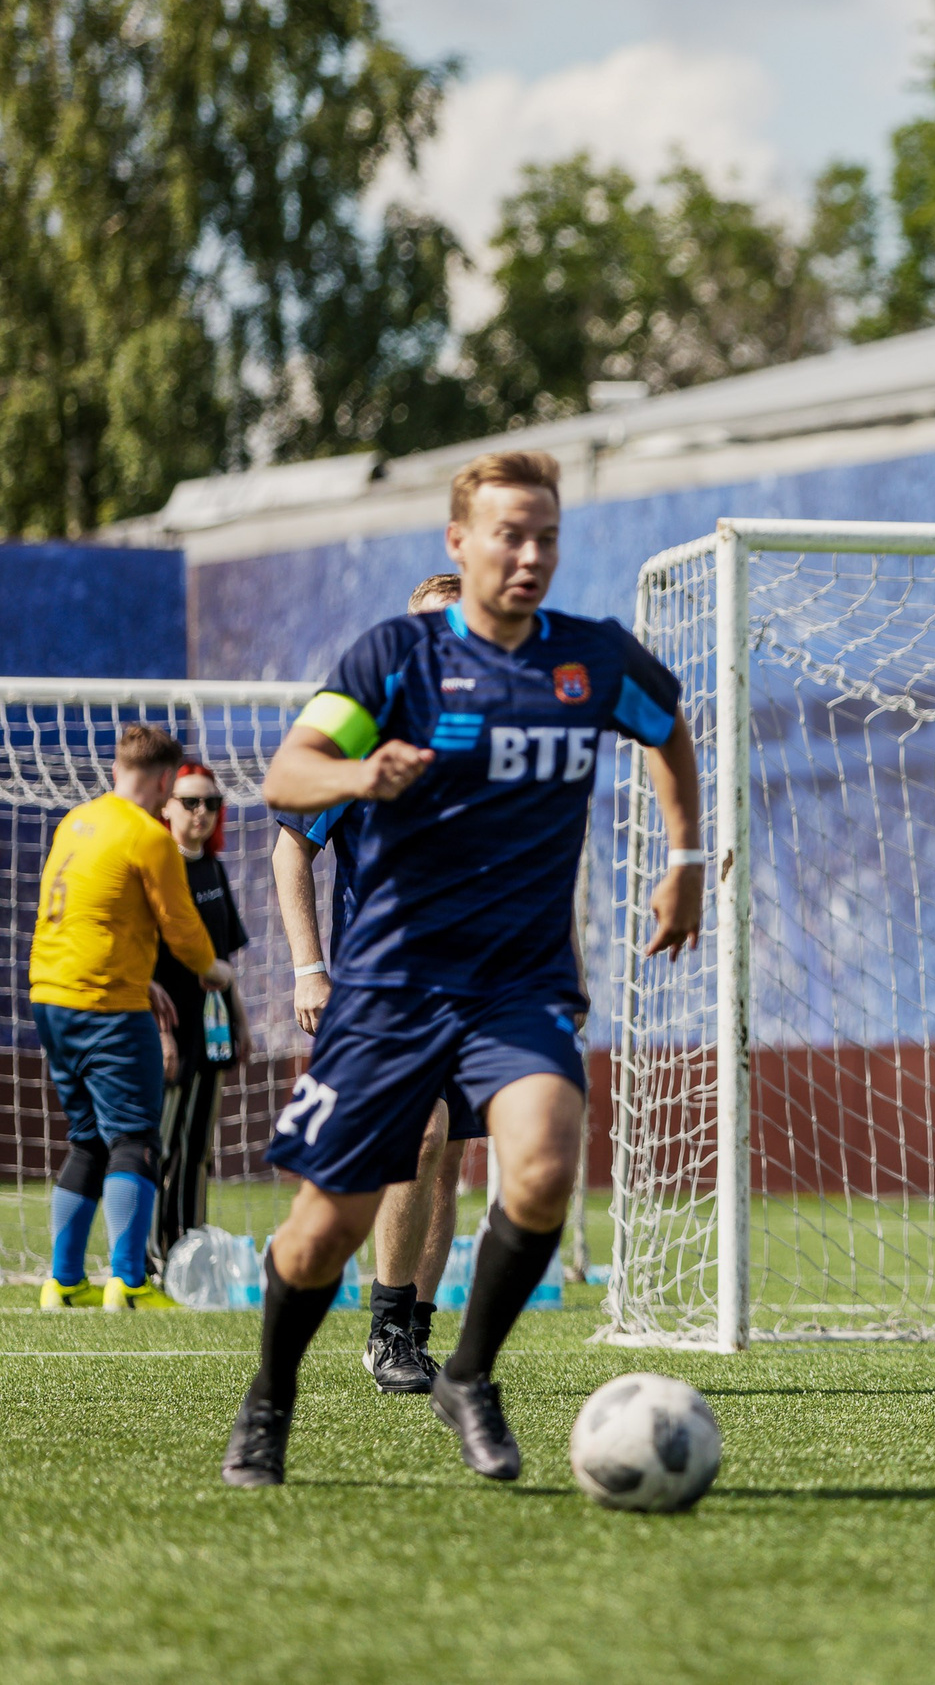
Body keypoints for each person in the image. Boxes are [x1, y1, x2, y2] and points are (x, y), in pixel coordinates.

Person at [222, 449, 702, 1489]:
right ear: (459, 542)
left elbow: (669, 730)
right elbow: (287, 778)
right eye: (506, 536)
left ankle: (469, 1374)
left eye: (545, 537)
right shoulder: (396, 659)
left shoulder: (591, 661)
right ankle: (270, 1400)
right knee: (323, 1234)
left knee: (541, 1162)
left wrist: (687, 861)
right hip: (389, 989)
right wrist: (361, 770)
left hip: (517, 984)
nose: (528, 556)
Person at [271, 572, 474, 1395]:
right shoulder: (359, 730)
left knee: (449, 1156)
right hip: (379, 980)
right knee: (415, 1140)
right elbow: (292, 846)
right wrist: (308, 967)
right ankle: (386, 1325)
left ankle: (414, 1335)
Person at [32, 723, 235, 1311]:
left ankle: (63, 1281)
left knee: (88, 1137)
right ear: (167, 779)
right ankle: (128, 1280)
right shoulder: (148, 836)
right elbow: (185, 934)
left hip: (51, 994)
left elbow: (79, 913)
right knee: (137, 1138)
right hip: (106, 1006)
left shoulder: (77, 820)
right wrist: (218, 972)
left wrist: (141, 977)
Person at [149, 761, 251, 1272]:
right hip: (165, 1028)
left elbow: (224, 961)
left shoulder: (212, 869)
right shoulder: (156, 866)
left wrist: (241, 1022)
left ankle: (190, 1255)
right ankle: (147, 1256)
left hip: (210, 1027)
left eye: (211, 803)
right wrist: (161, 1032)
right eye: (190, 801)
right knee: (159, 1145)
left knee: (196, 1148)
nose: (202, 812)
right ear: (165, 806)